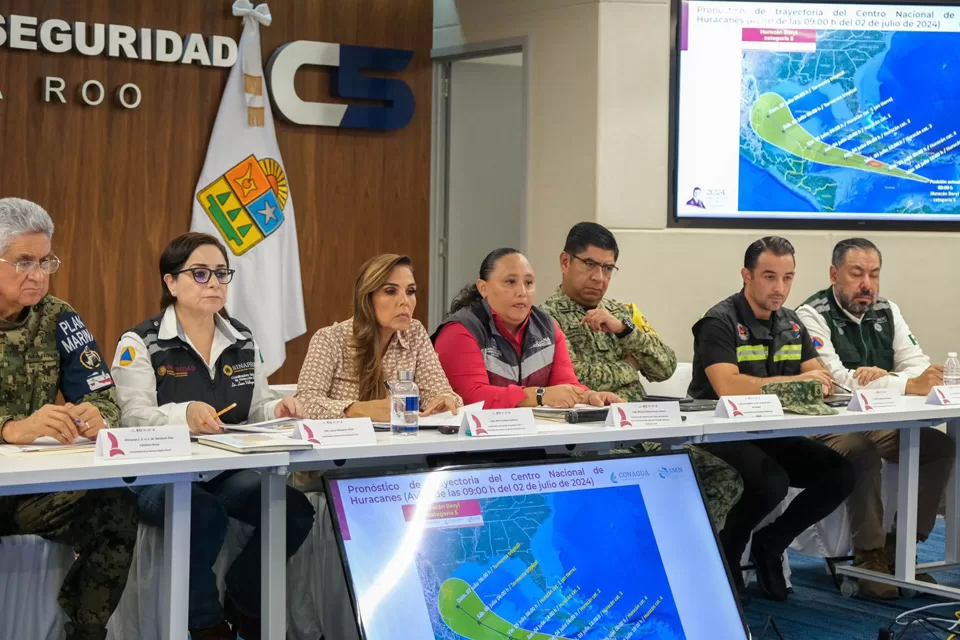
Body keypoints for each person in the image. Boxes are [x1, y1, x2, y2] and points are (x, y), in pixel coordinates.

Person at [111, 232, 315, 640]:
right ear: (170, 283)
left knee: (293, 509)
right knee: (202, 514)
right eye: (200, 274)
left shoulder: (241, 338)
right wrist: (183, 414)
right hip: (156, 473)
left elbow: (257, 406)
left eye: (222, 273)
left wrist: (278, 408)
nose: (215, 283)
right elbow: (131, 418)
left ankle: (244, 597)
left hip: (222, 467)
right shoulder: (140, 343)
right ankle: (205, 623)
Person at [540, 222, 743, 531]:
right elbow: (574, 378)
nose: (599, 277)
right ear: (565, 262)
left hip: (647, 436)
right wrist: (628, 367)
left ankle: (681, 553)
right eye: (590, 265)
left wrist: (624, 330)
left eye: (608, 268)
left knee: (725, 478)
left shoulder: (622, 313)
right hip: (597, 442)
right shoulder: (544, 319)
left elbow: (666, 366)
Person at [689, 236, 856, 603]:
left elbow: (820, 377)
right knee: (771, 482)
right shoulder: (718, 322)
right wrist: (796, 382)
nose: (779, 288)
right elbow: (727, 386)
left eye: (788, 278)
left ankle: (771, 543)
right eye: (769, 277)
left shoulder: (792, 323)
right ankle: (727, 553)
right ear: (746, 275)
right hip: (717, 435)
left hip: (771, 433)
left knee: (841, 473)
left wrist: (817, 383)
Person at [0, 198, 137, 640]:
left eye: (45, 261)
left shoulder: (59, 316)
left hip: (27, 493)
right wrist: (9, 428)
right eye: (24, 262)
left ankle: (85, 630)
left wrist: (98, 416)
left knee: (116, 504)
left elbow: (103, 393)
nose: (38, 275)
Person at [796, 237, 954, 598]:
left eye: (874, 274)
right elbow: (836, 383)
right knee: (860, 448)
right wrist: (903, 384)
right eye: (856, 274)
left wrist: (888, 379)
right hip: (828, 423)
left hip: (878, 418)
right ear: (834, 274)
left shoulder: (888, 310)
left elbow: (918, 365)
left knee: (939, 446)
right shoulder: (811, 314)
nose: (867, 283)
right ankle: (868, 556)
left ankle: (900, 550)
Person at [433, 248, 620, 409]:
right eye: (510, 282)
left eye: (529, 283)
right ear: (483, 288)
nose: (522, 292)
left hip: (533, 441)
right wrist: (538, 396)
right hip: (475, 444)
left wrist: (588, 397)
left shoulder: (547, 327)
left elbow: (564, 384)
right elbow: (471, 397)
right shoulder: (460, 330)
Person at [297, 254, 462, 421]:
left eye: (410, 291)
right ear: (367, 298)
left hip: (401, 440)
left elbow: (439, 391)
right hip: (344, 442)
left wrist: (445, 401)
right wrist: (359, 410)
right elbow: (305, 403)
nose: (405, 301)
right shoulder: (330, 339)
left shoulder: (415, 332)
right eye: (391, 291)